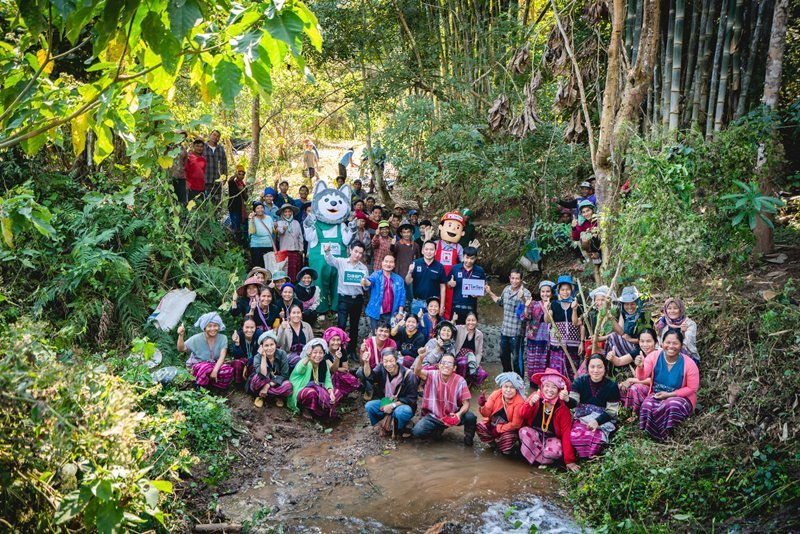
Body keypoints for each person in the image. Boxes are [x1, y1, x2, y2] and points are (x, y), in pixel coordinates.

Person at [637, 331, 699, 441]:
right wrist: (640, 367)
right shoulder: (654, 357)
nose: (671, 346)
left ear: (681, 345)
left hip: (680, 397)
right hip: (657, 393)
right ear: (662, 343)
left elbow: (692, 388)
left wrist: (670, 395)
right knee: (647, 405)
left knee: (671, 405)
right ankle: (652, 437)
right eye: (668, 342)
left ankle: (670, 435)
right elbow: (641, 377)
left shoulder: (689, 363)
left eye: (675, 343)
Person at [518, 368, 578, 471]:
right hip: (536, 435)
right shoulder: (535, 397)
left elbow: (566, 434)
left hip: (552, 438)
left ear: (559, 390)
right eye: (547, 386)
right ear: (542, 386)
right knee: (523, 432)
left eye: (554, 387)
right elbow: (522, 415)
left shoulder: (562, 408)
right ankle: (541, 459)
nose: (549, 390)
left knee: (554, 450)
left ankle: (541, 459)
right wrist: (530, 404)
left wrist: (569, 461)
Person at [411, 352, 477, 445]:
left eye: (450, 364)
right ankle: (438, 430)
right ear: (439, 365)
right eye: (444, 363)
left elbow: (466, 403)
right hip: (433, 415)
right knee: (417, 432)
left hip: (453, 414)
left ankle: (469, 439)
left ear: (454, 368)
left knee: (470, 417)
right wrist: (421, 358)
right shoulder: (431, 375)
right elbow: (417, 371)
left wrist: (458, 414)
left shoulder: (460, 381)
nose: (446, 365)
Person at [567, 355, 620, 458]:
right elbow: (573, 403)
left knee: (595, 438)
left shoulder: (612, 386)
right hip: (582, 418)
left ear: (605, 368)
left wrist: (597, 421)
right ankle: (580, 457)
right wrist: (566, 399)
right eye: (592, 367)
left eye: (600, 367)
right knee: (575, 436)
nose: (596, 370)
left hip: (603, 421)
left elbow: (612, 411)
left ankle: (589, 458)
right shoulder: (579, 382)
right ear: (588, 368)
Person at [359, 347, 418, 438]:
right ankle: (381, 424)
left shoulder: (409, 375)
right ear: (382, 361)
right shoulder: (381, 368)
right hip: (387, 400)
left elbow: (411, 399)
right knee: (369, 406)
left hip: (402, 404)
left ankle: (400, 427)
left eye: (391, 361)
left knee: (402, 412)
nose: (388, 364)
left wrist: (393, 405)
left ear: (397, 360)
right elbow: (370, 376)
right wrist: (366, 362)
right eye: (385, 361)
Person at [325, 241, 369, 356]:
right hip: (344, 299)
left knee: (354, 326)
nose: (357, 255)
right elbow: (330, 260)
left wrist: (365, 283)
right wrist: (327, 251)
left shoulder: (363, 268)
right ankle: (340, 350)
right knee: (342, 324)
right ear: (350, 250)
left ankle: (352, 350)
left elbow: (365, 287)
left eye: (360, 253)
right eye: (356, 251)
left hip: (357, 299)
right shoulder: (342, 262)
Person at [486, 269, 531, 374]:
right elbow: (500, 302)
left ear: (521, 279)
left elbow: (527, 313)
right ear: (509, 278)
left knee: (516, 359)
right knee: (503, 356)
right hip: (505, 331)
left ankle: (519, 381)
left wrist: (523, 298)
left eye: (517, 278)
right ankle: (508, 378)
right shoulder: (506, 289)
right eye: (513, 278)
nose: (515, 281)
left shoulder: (526, 293)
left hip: (517, 332)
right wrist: (489, 292)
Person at [542, 275, 583, 381]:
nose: (565, 292)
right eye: (563, 289)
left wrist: (582, 342)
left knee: (573, 372)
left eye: (568, 289)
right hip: (557, 344)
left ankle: (571, 395)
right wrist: (546, 310)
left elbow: (582, 325)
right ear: (558, 291)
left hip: (573, 345)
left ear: (572, 290)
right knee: (557, 373)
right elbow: (547, 320)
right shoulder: (554, 304)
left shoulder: (577, 304)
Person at [177, 313, 233, 389]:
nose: (213, 329)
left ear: (219, 327)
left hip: (214, 364)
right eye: (209, 326)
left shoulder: (223, 338)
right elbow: (181, 349)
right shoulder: (196, 338)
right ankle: (200, 388)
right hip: (198, 365)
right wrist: (181, 335)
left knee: (227, 370)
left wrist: (215, 371)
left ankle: (214, 386)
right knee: (206, 367)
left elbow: (222, 356)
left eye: (215, 326)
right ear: (204, 327)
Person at [288, 338, 339, 420]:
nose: (318, 355)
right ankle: (306, 409)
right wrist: (308, 358)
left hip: (318, 389)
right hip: (301, 389)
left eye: (320, 353)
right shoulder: (305, 362)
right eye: (315, 352)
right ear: (310, 353)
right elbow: (300, 370)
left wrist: (331, 393)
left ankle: (321, 413)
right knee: (311, 392)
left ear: (324, 354)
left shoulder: (324, 364)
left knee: (336, 392)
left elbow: (327, 381)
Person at [476, 372, 527, 454]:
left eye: (512, 387)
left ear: (516, 389)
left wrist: (498, 429)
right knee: (480, 427)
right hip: (493, 425)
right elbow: (486, 414)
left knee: (508, 440)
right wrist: (482, 406)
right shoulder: (496, 394)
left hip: (508, 430)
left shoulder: (519, 402)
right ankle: (493, 444)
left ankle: (505, 449)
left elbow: (516, 424)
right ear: (501, 387)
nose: (508, 390)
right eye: (506, 387)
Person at [520, 281, 556, 387]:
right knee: (532, 364)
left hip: (547, 340)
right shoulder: (534, 304)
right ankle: (532, 385)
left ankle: (544, 385)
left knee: (544, 364)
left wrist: (547, 308)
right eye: (543, 292)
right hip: (533, 339)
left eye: (548, 292)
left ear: (552, 293)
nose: (545, 294)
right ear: (540, 292)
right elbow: (525, 317)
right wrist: (526, 307)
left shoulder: (555, 305)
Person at [604, 286, 651, 368]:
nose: (629, 307)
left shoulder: (643, 315)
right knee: (613, 336)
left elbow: (647, 340)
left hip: (641, 346)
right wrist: (611, 319)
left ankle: (623, 362)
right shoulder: (623, 313)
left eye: (632, 303)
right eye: (626, 304)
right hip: (628, 344)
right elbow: (620, 332)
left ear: (638, 303)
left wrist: (631, 340)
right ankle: (613, 365)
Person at [616, 328, 659, 412]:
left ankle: (636, 412)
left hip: (654, 388)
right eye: (642, 341)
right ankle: (625, 409)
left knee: (634, 388)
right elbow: (619, 361)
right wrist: (612, 357)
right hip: (641, 383)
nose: (645, 344)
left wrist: (631, 380)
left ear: (655, 342)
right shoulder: (640, 353)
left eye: (649, 341)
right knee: (619, 387)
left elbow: (653, 380)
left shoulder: (658, 356)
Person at [362, 253, 406, 333]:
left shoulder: (399, 280)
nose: (388, 264)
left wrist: (400, 312)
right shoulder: (376, 275)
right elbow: (369, 282)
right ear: (382, 263)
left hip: (391, 313)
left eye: (391, 262)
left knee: (389, 335)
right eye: (386, 261)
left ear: (394, 264)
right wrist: (365, 281)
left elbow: (402, 297)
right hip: (376, 311)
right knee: (376, 334)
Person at [247, 330, 293, 407]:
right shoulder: (257, 357)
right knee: (257, 379)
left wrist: (268, 385)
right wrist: (263, 357)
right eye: (266, 345)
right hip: (261, 383)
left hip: (275, 383)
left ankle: (269, 395)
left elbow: (284, 374)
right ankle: (262, 396)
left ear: (276, 345)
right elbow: (262, 375)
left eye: (272, 344)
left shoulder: (282, 354)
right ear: (261, 347)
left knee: (288, 386)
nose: (269, 348)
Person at [406, 241, 447, 316]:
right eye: (426, 249)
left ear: (435, 252)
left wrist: (442, 306)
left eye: (431, 250)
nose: (429, 252)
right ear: (422, 251)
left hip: (433, 304)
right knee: (416, 325)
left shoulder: (439, 267)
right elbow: (408, 282)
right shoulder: (416, 263)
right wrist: (409, 272)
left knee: (431, 326)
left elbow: (443, 287)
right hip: (417, 302)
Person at [447, 246, 485, 323]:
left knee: (470, 330)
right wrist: (450, 284)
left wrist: (479, 294)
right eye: (467, 257)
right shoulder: (455, 268)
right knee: (454, 329)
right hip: (456, 305)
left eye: (472, 258)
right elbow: (448, 285)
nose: (469, 261)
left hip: (471, 306)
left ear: (475, 258)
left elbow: (483, 288)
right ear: (463, 256)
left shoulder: (479, 271)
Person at [654, 297, 699, 363]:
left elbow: (689, 344)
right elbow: (659, 342)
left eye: (675, 308)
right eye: (669, 308)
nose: (672, 311)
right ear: (666, 310)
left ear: (680, 309)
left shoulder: (689, 324)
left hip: (686, 355)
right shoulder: (662, 323)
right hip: (666, 354)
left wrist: (683, 332)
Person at [323, 327, 361, 400]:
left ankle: (342, 393)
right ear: (328, 340)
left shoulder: (342, 350)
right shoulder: (325, 352)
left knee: (352, 379)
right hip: (327, 376)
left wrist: (337, 369)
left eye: (338, 340)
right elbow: (332, 370)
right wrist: (337, 359)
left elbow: (346, 369)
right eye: (333, 340)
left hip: (338, 374)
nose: (336, 343)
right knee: (334, 375)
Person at [452, 311, 488, 386]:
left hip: (472, 360)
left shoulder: (479, 334)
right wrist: (453, 320)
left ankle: (469, 379)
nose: (471, 323)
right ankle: (460, 384)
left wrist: (476, 364)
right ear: (465, 321)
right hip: (459, 358)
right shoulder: (459, 328)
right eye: (468, 320)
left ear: (476, 321)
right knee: (463, 362)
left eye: (473, 320)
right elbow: (449, 329)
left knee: (482, 374)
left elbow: (479, 352)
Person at [277, 303, 315, 368]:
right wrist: (283, 329)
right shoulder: (284, 326)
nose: (296, 315)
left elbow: (311, 343)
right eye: (293, 313)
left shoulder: (307, 326)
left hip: (305, 355)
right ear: (289, 315)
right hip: (289, 355)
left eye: (298, 313)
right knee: (299, 361)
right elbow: (279, 343)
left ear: (301, 314)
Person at [583, 285, 616, 357]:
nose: (600, 302)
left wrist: (601, 338)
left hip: (609, 347)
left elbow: (616, 333)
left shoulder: (613, 314)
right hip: (596, 345)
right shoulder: (594, 314)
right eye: (597, 300)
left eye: (602, 300)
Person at [392, 223, 420, 304]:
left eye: (408, 232)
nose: (406, 234)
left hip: (411, 275)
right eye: (404, 232)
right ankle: (398, 313)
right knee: (398, 296)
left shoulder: (415, 245)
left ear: (411, 233)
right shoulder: (397, 244)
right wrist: (392, 245)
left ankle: (412, 314)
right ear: (401, 233)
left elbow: (418, 260)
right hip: (398, 274)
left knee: (411, 296)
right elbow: (392, 253)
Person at [230, 317, 262, 384]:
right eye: (247, 327)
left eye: (252, 327)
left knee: (255, 364)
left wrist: (247, 365)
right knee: (237, 363)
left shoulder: (259, 335)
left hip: (254, 361)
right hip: (242, 361)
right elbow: (236, 356)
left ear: (256, 327)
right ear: (242, 327)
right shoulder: (238, 335)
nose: (249, 330)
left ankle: (251, 383)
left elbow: (259, 354)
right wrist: (237, 344)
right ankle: (239, 384)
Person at [276, 203, 303, 282]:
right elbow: (279, 233)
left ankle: (295, 284)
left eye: (289, 211)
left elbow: (300, 236)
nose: (288, 213)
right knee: (286, 269)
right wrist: (283, 229)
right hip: (285, 250)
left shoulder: (296, 223)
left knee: (296, 269)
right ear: (283, 213)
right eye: (285, 212)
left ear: (292, 213)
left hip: (295, 250)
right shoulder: (280, 223)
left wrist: (301, 248)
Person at [571, 200, 602, 266]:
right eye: (583, 212)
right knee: (584, 238)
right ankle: (593, 255)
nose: (586, 214)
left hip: (601, 244)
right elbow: (576, 238)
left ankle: (598, 254)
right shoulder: (582, 222)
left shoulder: (598, 219)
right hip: (591, 247)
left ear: (593, 210)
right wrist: (573, 227)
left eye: (588, 211)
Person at [248, 201, 275, 269]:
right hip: (256, 246)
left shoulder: (269, 218)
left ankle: (268, 280)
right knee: (257, 267)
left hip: (268, 245)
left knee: (268, 266)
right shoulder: (252, 220)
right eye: (258, 208)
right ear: (254, 210)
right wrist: (253, 220)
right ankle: (257, 279)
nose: (260, 210)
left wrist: (276, 227)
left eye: (262, 208)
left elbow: (273, 231)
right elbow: (252, 231)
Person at [204, 130, 227, 201]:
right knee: (205, 201)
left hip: (217, 180)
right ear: (210, 135)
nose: (215, 137)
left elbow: (224, 164)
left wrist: (225, 177)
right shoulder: (203, 147)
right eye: (214, 135)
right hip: (205, 180)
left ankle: (217, 212)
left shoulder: (221, 149)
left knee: (217, 202)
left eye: (217, 136)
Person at [228, 165, 248, 240]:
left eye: (243, 174)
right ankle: (234, 241)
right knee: (235, 226)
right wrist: (235, 175)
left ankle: (241, 242)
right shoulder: (233, 183)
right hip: (233, 208)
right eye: (239, 174)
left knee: (241, 227)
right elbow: (230, 180)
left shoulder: (243, 185)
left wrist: (243, 190)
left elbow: (246, 198)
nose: (241, 176)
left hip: (241, 209)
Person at [184, 139, 206, 203]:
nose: (199, 148)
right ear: (193, 146)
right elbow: (184, 171)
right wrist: (186, 183)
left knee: (201, 207)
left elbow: (202, 173)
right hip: (191, 188)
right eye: (197, 146)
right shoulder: (188, 157)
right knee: (190, 208)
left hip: (201, 188)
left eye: (201, 146)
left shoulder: (203, 159)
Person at [169, 131, 188, 205]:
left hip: (181, 177)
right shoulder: (169, 147)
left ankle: (182, 215)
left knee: (182, 199)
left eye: (183, 137)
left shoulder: (184, 150)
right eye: (180, 136)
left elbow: (185, 164)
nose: (181, 138)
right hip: (170, 177)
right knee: (171, 198)